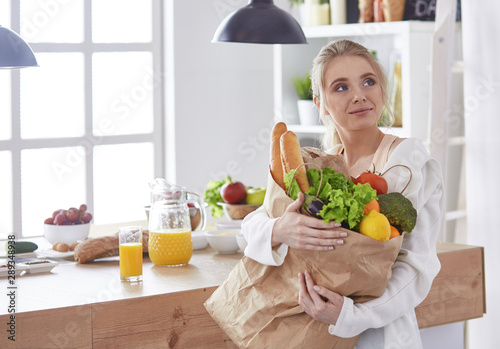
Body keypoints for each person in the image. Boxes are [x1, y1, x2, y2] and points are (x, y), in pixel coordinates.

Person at [241, 39, 444, 348]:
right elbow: (251, 225)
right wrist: (279, 230)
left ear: (382, 91)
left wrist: (350, 315)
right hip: (311, 330)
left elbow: (416, 268)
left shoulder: (407, 159)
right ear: (319, 104)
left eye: (368, 81)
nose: (359, 95)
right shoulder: (322, 165)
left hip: (380, 336)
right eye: (340, 87)